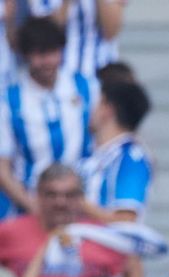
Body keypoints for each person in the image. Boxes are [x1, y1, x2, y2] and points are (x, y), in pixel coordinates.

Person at [0, 164, 137, 277]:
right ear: (38, 195)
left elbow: (132, 266)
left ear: (81, 198)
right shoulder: (10, 232)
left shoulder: (100, 235)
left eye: (69, 195)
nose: (61, 202)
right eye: (52, 194)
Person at [0, 17, 98, 217]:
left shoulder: (87, 87)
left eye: (53, 52)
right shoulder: (9, 99)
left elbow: (106, 140)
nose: (48, 61)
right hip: (28, 208)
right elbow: (2, 166)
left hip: (82, 206)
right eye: (39, 54)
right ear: (26, 55)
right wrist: (31, 206)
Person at [79, 75, 153, 224]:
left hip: (105, 246)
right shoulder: (95, 154)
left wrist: (75, 202)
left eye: (97, 103)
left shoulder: (131, 158)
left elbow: (126, 220)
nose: (90, 110)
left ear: (108, 109)